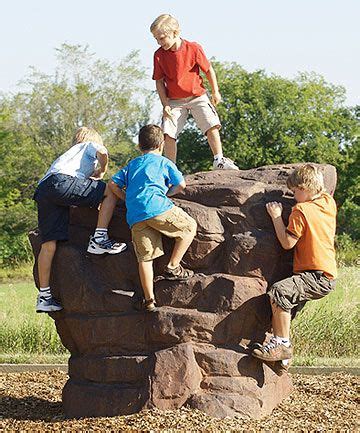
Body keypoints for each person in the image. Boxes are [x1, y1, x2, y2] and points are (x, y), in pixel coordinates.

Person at [33, 127, 126, 313]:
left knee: (49, 244)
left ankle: (44, 296)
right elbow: (102, 152)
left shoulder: (68, 157)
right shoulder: (87, 146)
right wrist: (102, 169)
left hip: (44, 189)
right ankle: (99, 238)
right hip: (62, 182)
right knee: (110, 191)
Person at [252, 164, 337, 368]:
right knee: (285, 307)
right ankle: (284, 359)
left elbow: (287, 243)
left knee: (279, 293)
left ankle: (282, 344)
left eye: (296, 191)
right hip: (328, 274)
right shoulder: (328, 202)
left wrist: (276, 218)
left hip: (315, 275)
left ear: (306, 188)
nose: (293, 195)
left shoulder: (300, 210)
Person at [109, 124, 197, 312]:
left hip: (135, 215)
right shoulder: (164, 162)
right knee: (189, 227)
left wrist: (127, 199)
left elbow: (112, 184)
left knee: (145, 258)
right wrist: (167, 193)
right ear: (161, 144)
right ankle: (173, 266)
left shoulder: (133, 164)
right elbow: (181, 184)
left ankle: (149, 300)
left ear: (140, 146)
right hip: (158, 208)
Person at [150, 14, 238, 170]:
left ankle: (219, 159)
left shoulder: (193, 48)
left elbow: (208, 70)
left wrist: (215, 92)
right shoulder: (159, 55)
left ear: (175, 33)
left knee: (211, 123)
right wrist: (165, 105)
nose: (159, 42)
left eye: (162, 38)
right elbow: (159, 81)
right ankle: (170, 168)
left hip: (197, 96)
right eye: (156, 39)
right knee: (168, 132)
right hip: (174, 101)